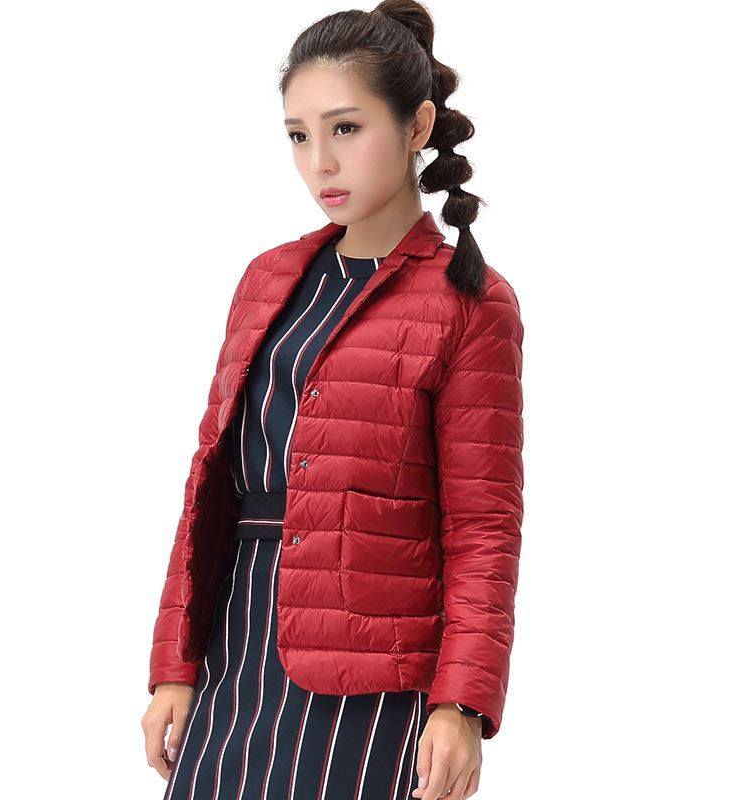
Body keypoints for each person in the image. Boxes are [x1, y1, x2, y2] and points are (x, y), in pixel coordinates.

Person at [141, 2, 525, 799]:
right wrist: (174, 664)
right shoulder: (267, 279)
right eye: (298, 135)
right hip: (236, 638)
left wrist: (461, 703)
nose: (320, 162)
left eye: (346, 128)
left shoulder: (470, 301)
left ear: (418, 126)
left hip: (370, 667)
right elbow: (207, 483)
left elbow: (484, 525)